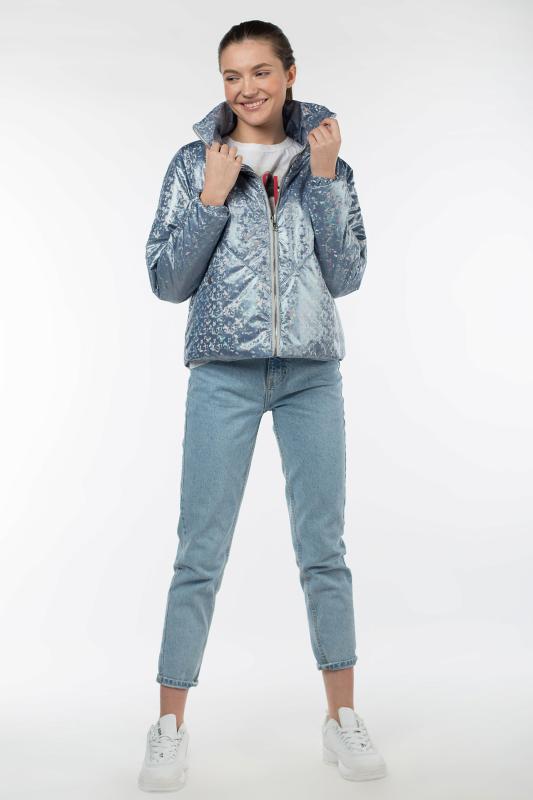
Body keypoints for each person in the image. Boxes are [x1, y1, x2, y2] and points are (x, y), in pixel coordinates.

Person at [138, 20, 387, 792]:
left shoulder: (326, 161)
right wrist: (210, 200)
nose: (245, 88)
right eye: (230, 75)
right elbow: (166, 281)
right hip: (223, 375)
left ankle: (341, 718)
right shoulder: (194, 164)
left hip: (311, 373)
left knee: (323, 550)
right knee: (199, 553)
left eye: (258, 71)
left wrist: (327, 180)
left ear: (288, 73)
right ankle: (168, 727)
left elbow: (346, 276)